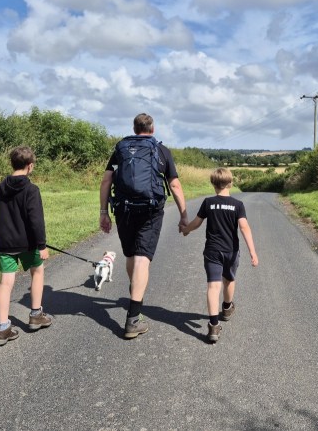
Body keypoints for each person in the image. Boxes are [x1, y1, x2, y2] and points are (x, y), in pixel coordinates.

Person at [99, 113, 188, 338]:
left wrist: (103, 212)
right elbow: (174, 185)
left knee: (131, 254)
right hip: (150, 210)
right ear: (152, 128)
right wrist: (183, 214)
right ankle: (133, 318)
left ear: (134, 128)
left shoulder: (120, 148)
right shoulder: (161, 150)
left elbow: (106, 180)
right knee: (142, 258)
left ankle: (135, 289)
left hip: (123, 208)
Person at [180, 168, 258, 343]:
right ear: (230, 183)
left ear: (213, 184)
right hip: (231, 251)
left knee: (213, 287)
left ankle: (213, 326)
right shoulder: (238, 205)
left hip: (212, 251)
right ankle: (227, 307)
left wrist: (186, 230)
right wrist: (253, 252)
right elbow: (244, 228)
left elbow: (197, 223)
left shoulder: (208, 202)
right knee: (229, 280)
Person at [0, 146, 53, 346]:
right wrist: (42, 245)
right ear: (31, 166)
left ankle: (3, 328)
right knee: (37, 272)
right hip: (28, 243)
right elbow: (36, 220)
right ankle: (36, 315)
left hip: (6, 244)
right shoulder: (31, 189)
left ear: (12, 164)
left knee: (5, 283)